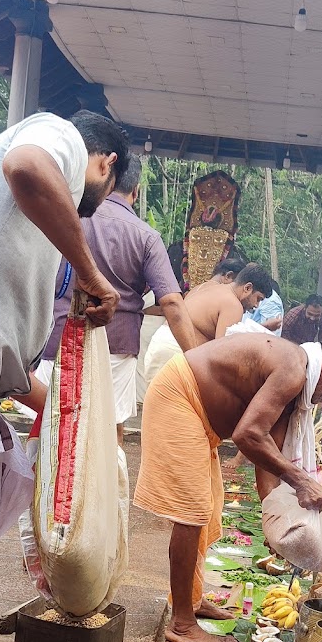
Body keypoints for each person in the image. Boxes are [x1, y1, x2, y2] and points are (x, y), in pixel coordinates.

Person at [134, 335, 322, 642]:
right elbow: (247, 435)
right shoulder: (293, 369)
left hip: (200, 419)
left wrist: (277, 527)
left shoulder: (296, 390)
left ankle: (191, 601)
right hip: (179, 398)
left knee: (208, 507)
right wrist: (300, 480)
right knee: (192, 512)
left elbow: (265, 454)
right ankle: (182, 624)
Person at [0, 109, 129, 539]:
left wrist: (69, 413)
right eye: (108, 192)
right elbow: (26, 165)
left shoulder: (42, 218)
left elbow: (9, 364)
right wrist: (88, 272)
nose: (98, 205)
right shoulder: (63, 135)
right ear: (106, 163)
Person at [35, 154, 196, 444]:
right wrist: (198, 361)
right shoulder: (146, 236)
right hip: (116, 345)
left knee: (50, 423)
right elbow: (171, 302)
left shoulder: (67, 216)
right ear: (135, 191)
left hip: (59, 337)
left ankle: (46, 488)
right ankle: (109, 490)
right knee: (110, 429)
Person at [142, 263, 272, 391]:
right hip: (174, 352)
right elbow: (220, 355)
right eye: (258, 299)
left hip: (159, 343)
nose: (256, 306)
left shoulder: (208, 287)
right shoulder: (233, 304)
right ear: (248, 288)